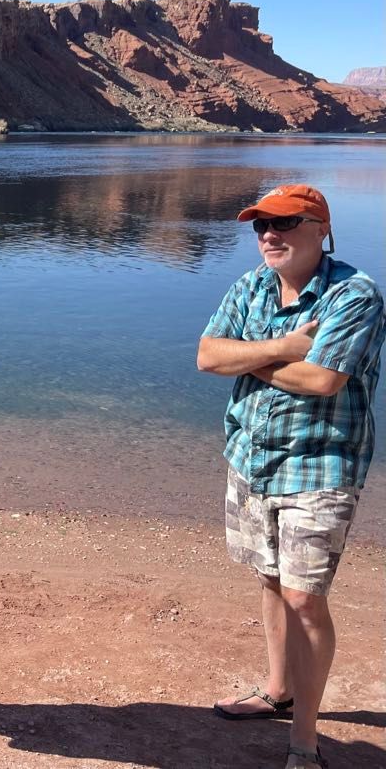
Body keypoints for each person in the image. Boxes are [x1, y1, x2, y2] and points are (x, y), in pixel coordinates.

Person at [197, 184, 384, 769]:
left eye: (284, 223)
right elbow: (205, 356)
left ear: (320, 228)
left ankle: (304, 742)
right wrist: (283, 348)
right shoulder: (250, 286)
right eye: (260, 227)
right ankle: (278, 690)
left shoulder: (355, 295)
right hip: (250, 457)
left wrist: (248, 358)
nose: (269, 236)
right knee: (270, 579)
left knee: (305, 598)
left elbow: (323, 381)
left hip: (319, 465)